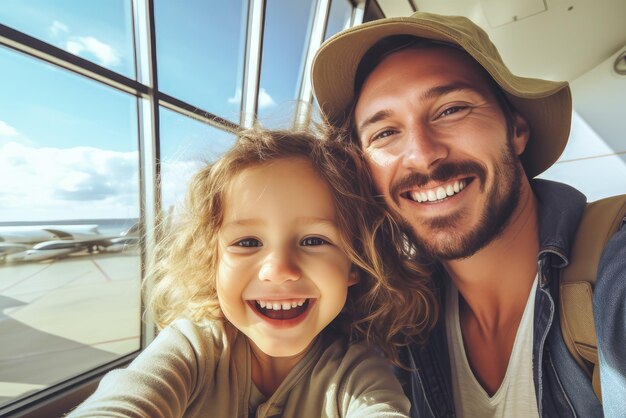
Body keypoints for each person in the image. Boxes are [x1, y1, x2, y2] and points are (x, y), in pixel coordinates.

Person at [311, 11, 626, 418]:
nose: (422, 154)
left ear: (516, 130)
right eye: (385, 132)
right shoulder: (397, 319)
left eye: (451, 110)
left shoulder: (612, 273)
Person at [67, 128, 437, 418]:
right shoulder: (192, 350)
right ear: (210, 262)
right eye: (246, 242)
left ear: (354, 265)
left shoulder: (357, 373)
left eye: (313, 240)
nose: (279, 270)